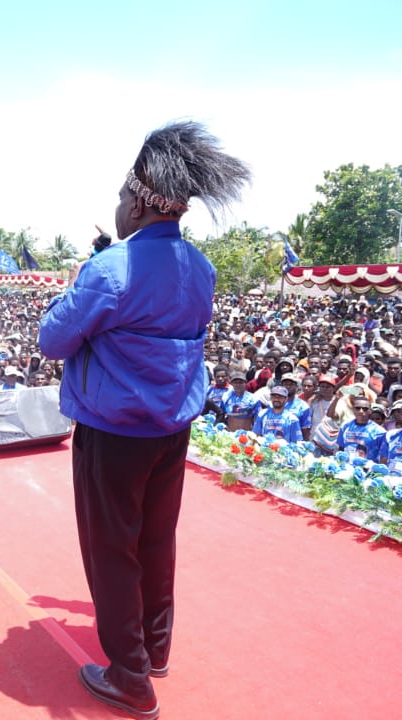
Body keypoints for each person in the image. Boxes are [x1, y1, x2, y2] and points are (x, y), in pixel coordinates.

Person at [39, 120, 250, 720]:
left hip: (113, 433)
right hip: (171, 429)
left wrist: (87, 274)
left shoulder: (109, 270)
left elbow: (53, 340)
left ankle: (130, 679)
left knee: (112, 549)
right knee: (157, 539)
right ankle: (154, 649)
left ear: (135, 200)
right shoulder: (201, 268)